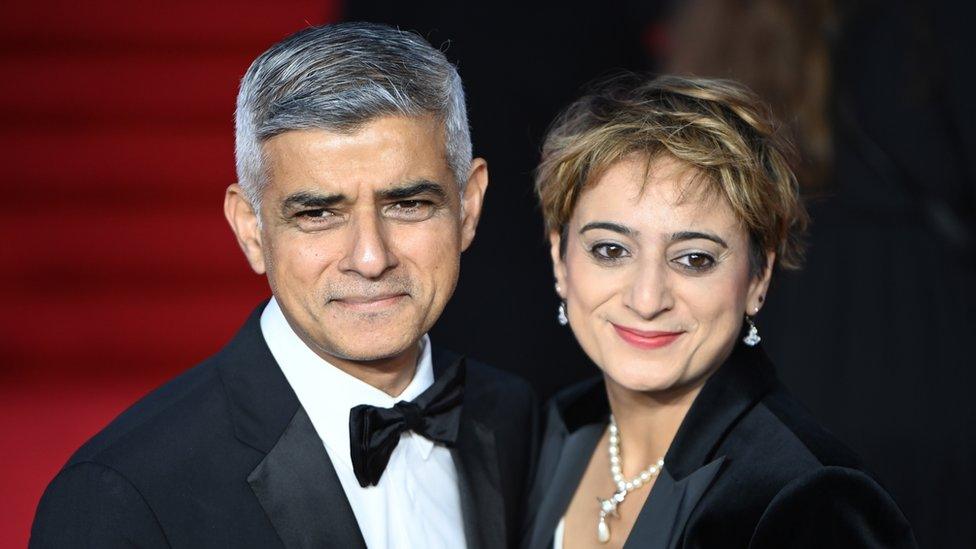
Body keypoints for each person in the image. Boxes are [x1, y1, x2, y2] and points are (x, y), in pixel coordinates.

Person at [30, 22, 538, 549]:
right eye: (318, 213)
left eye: (408, 204)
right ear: (251, 230)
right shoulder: (119, 497)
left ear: (468, 208)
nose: (370, 258)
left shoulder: (512, 418)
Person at [523, 74, 917, 548]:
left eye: (694, 259)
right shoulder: (547, 434)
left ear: (758, 278)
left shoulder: (808, 499)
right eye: (610, 250)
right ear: (559, 259)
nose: (647, 299)